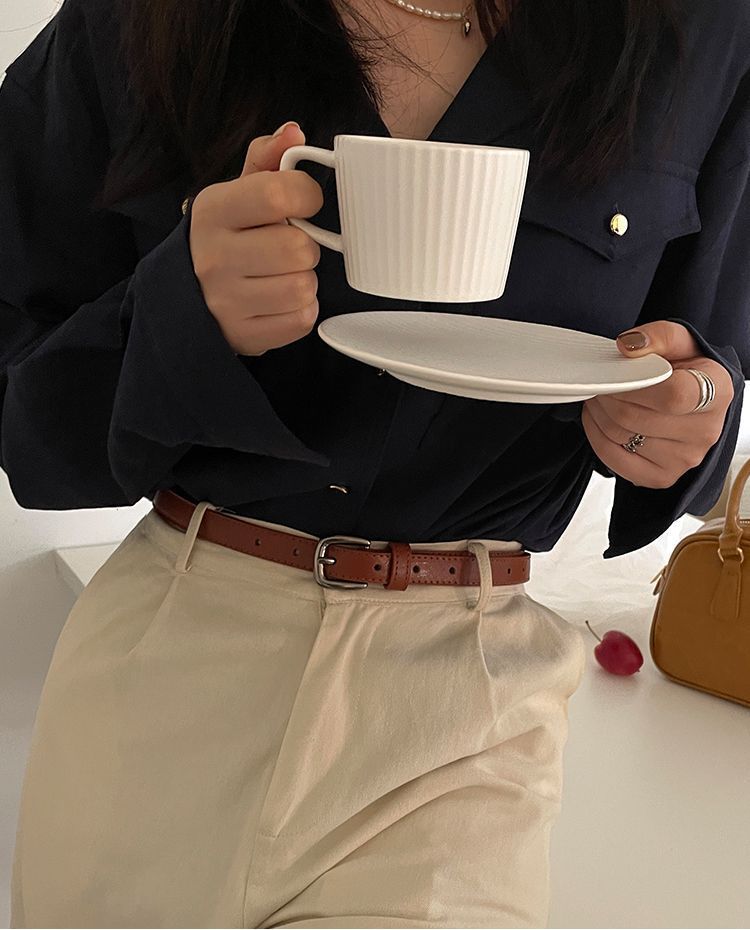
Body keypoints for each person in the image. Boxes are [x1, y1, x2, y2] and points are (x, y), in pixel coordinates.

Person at [1, 0, 747, 925]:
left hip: (461, 710)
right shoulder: (146, 19)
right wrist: (179, 315)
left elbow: (703, 367)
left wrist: (684, 419)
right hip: (164, 663)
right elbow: (24, 420)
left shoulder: (705, 27)